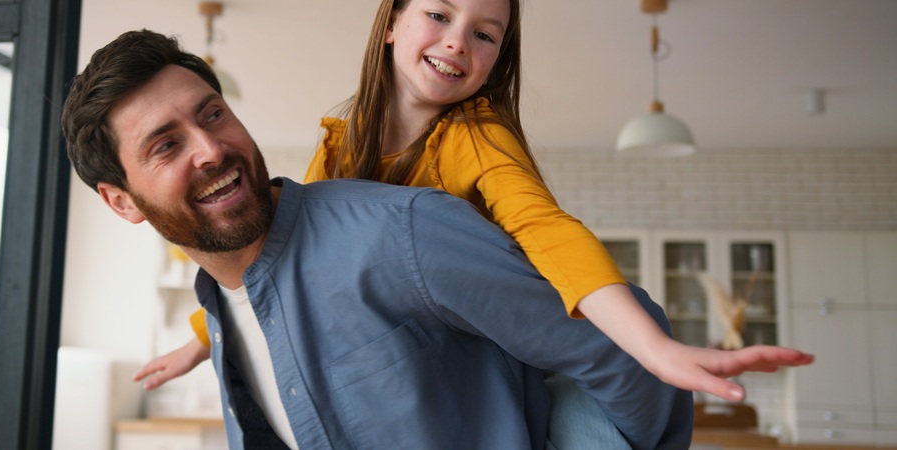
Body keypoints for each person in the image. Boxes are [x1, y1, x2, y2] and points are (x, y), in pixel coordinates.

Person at [136, 0, 814, 403]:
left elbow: (548, 229)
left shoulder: (479, 139)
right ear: (394, 25)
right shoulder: (341, 144)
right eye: (439, 15)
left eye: (485, 33)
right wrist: (202, 339)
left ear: (495, 59)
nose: (459, 40)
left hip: (527, 363)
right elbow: (287, 252)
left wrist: (657, 350)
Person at [63, 29, 701, 449]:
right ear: (122, 201)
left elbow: (622, 351)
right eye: (166, 145)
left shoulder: (404, 230)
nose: (210, 149)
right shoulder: (218, 312)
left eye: (212, 114)